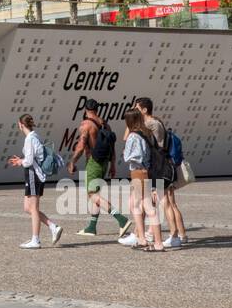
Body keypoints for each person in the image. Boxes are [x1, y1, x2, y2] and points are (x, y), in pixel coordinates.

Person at [65, 101, 131, 237]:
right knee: (96, 195)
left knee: (92, 194)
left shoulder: (86, 125)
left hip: (93, 162)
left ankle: (121, 219)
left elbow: (81, 145)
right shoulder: (105, 124)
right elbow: (112, 147)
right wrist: (112, 164)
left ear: (85, 109)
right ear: (96, 109)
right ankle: (91, 227)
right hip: (104, 163)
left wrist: (72, 161)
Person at [5, 114, 62, 248]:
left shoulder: (29, 139)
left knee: (34, 208)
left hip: (34, 175)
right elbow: (32, 157)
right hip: (32, 174)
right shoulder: (35, 136)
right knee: (27, 208)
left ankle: (35, 240)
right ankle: (53, 227)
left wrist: (20, 161)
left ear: (21, 124)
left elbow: (29, 161)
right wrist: (20, 160)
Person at [137, 96, 186, 249]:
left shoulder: (151, 124)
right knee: (169, 201)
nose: (135, 111)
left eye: (137, 108)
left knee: (165, 201)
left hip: (160, 167)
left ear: (144, 110)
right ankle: (179, 235)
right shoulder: (157, 122)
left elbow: (139, 138)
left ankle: (174, 236)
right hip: (166, 165)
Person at [120, 109, 162, 250]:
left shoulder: (133, 136)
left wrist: (126, 153)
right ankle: (144, 239)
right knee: (140, 205)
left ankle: (155, 242)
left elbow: (133, 156)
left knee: (146, 207)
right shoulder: (147, 133)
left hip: (138, 172)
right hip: (147, 172)